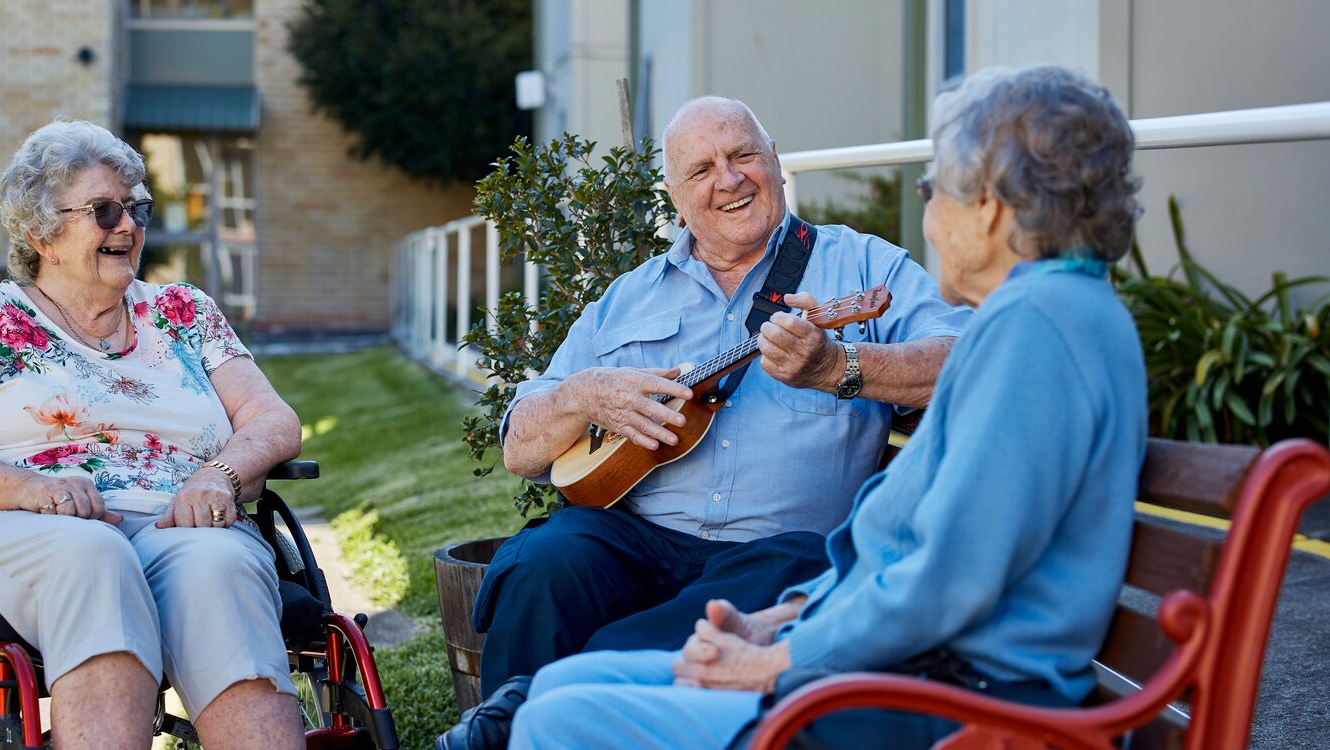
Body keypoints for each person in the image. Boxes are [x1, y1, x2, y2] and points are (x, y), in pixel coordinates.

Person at [507, 64, 1149, 750]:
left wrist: (779, 658)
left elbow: (944, 580)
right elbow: (921, 558)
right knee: (552, 682)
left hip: (943, 695)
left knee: (556, 715)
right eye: (702, 169)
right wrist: (786, 623)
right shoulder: (1044, 318)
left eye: (932, 190)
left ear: (987, 207)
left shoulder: (1031, 330)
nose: (929, 219)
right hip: (897, 664)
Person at [442, 97, 969, 748]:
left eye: (744, 154)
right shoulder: (627, 298)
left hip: (778, 551)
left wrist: (841, 364)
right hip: (633, 539)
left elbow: (968, 360)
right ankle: (512, 724)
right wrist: (582, 394)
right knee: (542, 564)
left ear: (776, 162)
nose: (729, 178)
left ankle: (553, 708)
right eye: (702, 169)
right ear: (674, 193)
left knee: (755, 580)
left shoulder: (863, 268)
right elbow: (522, 447)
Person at [0, 120, 305, 750]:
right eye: (104, 211)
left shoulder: (184, 312)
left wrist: (220, 474)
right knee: (95, 557)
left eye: (136, 208)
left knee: (218, 568)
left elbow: (274, 419)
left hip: (179, 522)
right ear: (41, 235)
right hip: (30, 526)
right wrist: (28, 487)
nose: (127, 226)